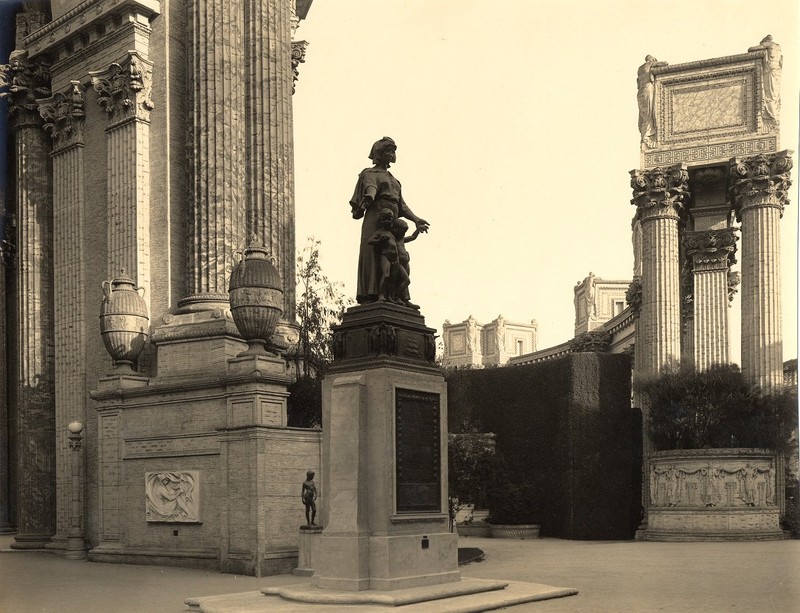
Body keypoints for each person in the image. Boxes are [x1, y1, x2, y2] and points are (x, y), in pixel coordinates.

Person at [350, 137, 429, 304]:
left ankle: (399, 297)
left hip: (393, 219)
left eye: (393, 151)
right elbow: (371, 188)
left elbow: (402, 205)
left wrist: (416, 220)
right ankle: (373, 295)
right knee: (377, 253)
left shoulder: (395, 180)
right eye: (388, 150)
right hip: (376, 216)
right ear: (379, 153)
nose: (392, 154)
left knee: (397, 256)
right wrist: (368, 198)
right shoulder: (369, 173)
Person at [367, 208, 402, 303]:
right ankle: (381, 295)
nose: (387, 221)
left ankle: (390, 296)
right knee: (386, 275)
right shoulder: (380, 232)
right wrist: (379, 241)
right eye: (385, 219)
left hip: (395, 258)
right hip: (385, 256)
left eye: (389, 219)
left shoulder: (392, 232)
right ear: (381, 220)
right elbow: (370, 241)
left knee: (393, 278)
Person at [748, 35, 782, 127]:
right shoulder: (778, 47)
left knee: (769, 96)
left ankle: (772, 117)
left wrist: (762, 45)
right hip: (777, 72)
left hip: (770, 71)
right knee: (774, 96)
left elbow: (750, 49)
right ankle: (774, 117)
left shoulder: (768, 44)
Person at [637, 55, 668, 147]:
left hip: (640, 92)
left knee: (644, 113)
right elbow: (665, 63)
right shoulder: (650, 64)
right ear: (651, 60)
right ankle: (648, 135)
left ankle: (645, 136)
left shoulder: (640, 69)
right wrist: (655, 63)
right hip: (648, 90)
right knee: (650, 113)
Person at [391, 217, 420, 308]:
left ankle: (405, 299)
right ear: (395, 229)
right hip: (398, 263)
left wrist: (418, 230)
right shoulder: (393, 239)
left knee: (402, 282)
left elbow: (412, 237)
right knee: (406, 280)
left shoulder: (401, 239)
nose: (403, 234)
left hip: (405, 263)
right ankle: (396, 296)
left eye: (404, 232)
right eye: (402, 231)